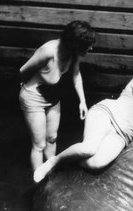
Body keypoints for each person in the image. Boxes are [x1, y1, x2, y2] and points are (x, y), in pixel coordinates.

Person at [33, 56, 133, 183]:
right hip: (107, 114)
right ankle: (53, 162)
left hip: (123, 133)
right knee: (89, 148)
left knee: (95, 163)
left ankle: (70, 161)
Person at [19, 20, 96, 173]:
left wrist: (82, 101)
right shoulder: (48, 51)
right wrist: (25, 87)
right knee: (39, 145)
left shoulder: (73, 54)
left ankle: (50, 172)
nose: (91, 48)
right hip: (34, 97)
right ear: (75, 44)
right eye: (88, 45)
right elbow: (23, 70)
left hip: (53, 96)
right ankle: (39, 183)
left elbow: (75, 73)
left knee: (52, 138)